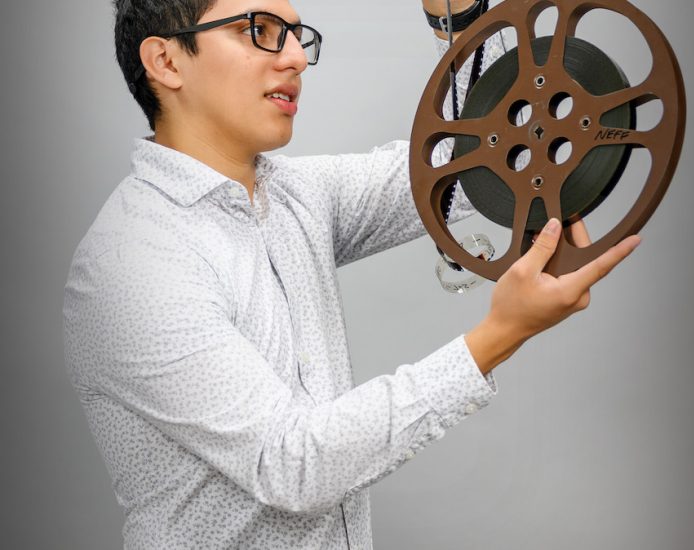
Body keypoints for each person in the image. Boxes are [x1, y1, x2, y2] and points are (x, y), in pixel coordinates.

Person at [63, 0, 641, 548]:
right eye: (259, 31)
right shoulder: (132, 263)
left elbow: (468, 162)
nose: (295, 58)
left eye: (296, 36)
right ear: (166, 61)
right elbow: (292, 466)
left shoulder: (297, 196)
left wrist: (462, 19)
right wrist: (500, 335)